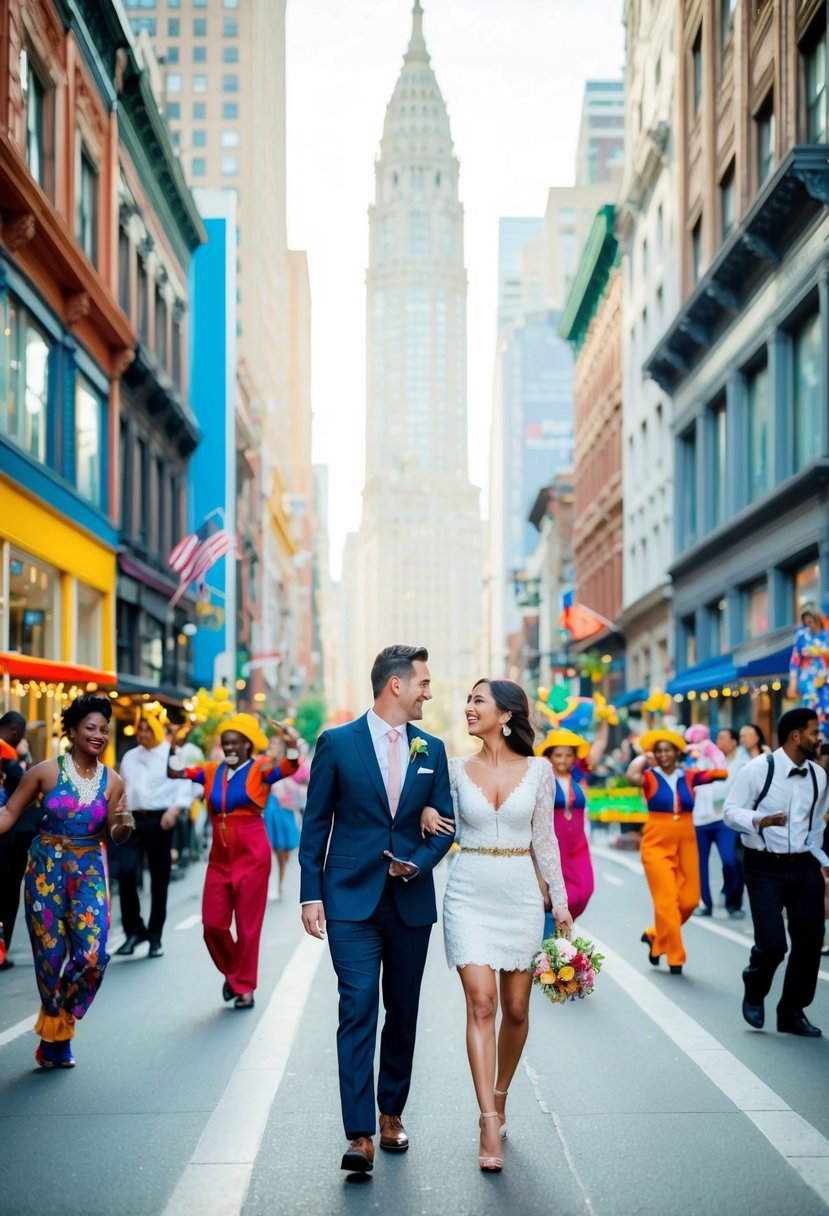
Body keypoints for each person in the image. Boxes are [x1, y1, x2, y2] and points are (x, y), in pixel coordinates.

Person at [299, 644, 454, 1175]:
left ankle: (392, 1114)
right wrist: (310, 892)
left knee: (403, 1014)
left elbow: (446, 825)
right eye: (423, 684)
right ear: (396, 684)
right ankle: (360, 1132)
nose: (428, 693)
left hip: (410, 903)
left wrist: (419, 861)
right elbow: (316, 822)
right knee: (358, 1006)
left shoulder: (432, 749)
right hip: (349, 899)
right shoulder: (337, 743)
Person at [423, 679, 571, 1173]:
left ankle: (502, 1092)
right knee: (482, 1002)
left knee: (517, 1007)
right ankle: (488, 1117)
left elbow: (545, 840)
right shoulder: (452, 769)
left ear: (506, 715)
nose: (467, 708)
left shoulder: (540, 770)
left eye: (477, 701)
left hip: (520, 895)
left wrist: (562, 904)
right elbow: (434, 813)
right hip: (468, 890)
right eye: (468, 701)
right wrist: (426, 809)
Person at [0, 694, 132, 1068]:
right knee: (49, 956)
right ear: (73, 731)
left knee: (93, 954)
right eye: (90, 728)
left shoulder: (114, 781)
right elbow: (10, 811)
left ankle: (63, 1016)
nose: (99, 735)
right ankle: (55, 1041)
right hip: (45, 868)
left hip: (89, 865)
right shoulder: (44, 771)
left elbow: (116, 835)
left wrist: (123, 821)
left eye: (104, 730)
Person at [168, 713, 300, 1008]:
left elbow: (290, 765)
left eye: (235, 743)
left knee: (247, 925)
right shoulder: (210, 770)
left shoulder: (261, 768)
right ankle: (234, 973)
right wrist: (175, 745)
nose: (229, 748)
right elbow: (177, 773)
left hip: (253, 853)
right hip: (220, 856)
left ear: (247, 745)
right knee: (212, 924)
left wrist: (290, 738)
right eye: (225, 742)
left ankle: (244, 987)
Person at [724, 707, 829, 1036]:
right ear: (796, 735)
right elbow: (730, 812)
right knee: (772, 945)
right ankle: (755, 989)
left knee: (810, 939)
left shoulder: (818, 776)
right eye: (814, 731)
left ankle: (792, 1011)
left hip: (803, 864)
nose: (819, 738)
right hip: (764, 865)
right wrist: (760, 820)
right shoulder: (758, 769)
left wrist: (822, 860)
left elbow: (815, 825)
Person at [627, 729, 726, 974]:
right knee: (667, 902)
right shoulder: (649, 777)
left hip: (687, 841)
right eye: (659, 751)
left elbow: (722, 773)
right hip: (655, 842)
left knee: (691, 900)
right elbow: (631, 775)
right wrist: (644, 757)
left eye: (668, 750)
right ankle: (675, 957)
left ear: (677, 752)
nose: (663, 755)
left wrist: (710, 750)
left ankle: (655, 936)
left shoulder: (690, 776)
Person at [116, 712, 190, 958]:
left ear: (156, 730)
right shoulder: (129, 757)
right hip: (133, 820)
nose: (143, 734)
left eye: (148, 729)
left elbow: (185, 786)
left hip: (161, 820)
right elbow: (121, 787)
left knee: (159, 880)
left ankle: (155, 936)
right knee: (126, 872)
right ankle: (133, 930)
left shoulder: (171, 754)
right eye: (140, 730)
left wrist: (174, 810)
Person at [535, 722, 608, 925]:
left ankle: (564, 922)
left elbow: (599, 746)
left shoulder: (576, 775)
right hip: (555, 843)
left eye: (568, 755)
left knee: (586, 888)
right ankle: (557, 928)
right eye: (558, 755)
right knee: (556, 893)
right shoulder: (543, 778)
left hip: (578, 844)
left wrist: (603, 718)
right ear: (549, 756)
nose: (563, 760)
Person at [685, 725, 745, 920]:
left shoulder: (740, 761)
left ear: (734, 741)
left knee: (730, 860)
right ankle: (705, 903)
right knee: (699, 865)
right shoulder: (699, 754)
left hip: (723, 818)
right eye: (717, 738)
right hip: (699, 817)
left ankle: (733, 901)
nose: (719, 742)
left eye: (723, 738)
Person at [0, 711, 31, 969]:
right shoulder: (8, 755)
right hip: (6, 836)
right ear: (14, 731)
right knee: (7, 895)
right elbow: (24, 787)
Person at [263, 741, 308, 900]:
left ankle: (280, 882)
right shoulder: (263, 767)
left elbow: (303, 783)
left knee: (282, 851)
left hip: (284, 811)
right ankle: (269, 883)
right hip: (268, 811)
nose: (272, 749)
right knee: (267, 850)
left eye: (275, 747)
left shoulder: (290, 768)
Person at [787, 604, 829, 724]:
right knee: (811, 706)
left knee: (826, 708)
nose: (809, 625)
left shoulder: (826, 635)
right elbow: (795, 658)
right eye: (806, 622)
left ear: (817, 619)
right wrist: (793, 681)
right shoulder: (801, 635)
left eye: (811, 621)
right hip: (808, 677)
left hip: (826, 676)